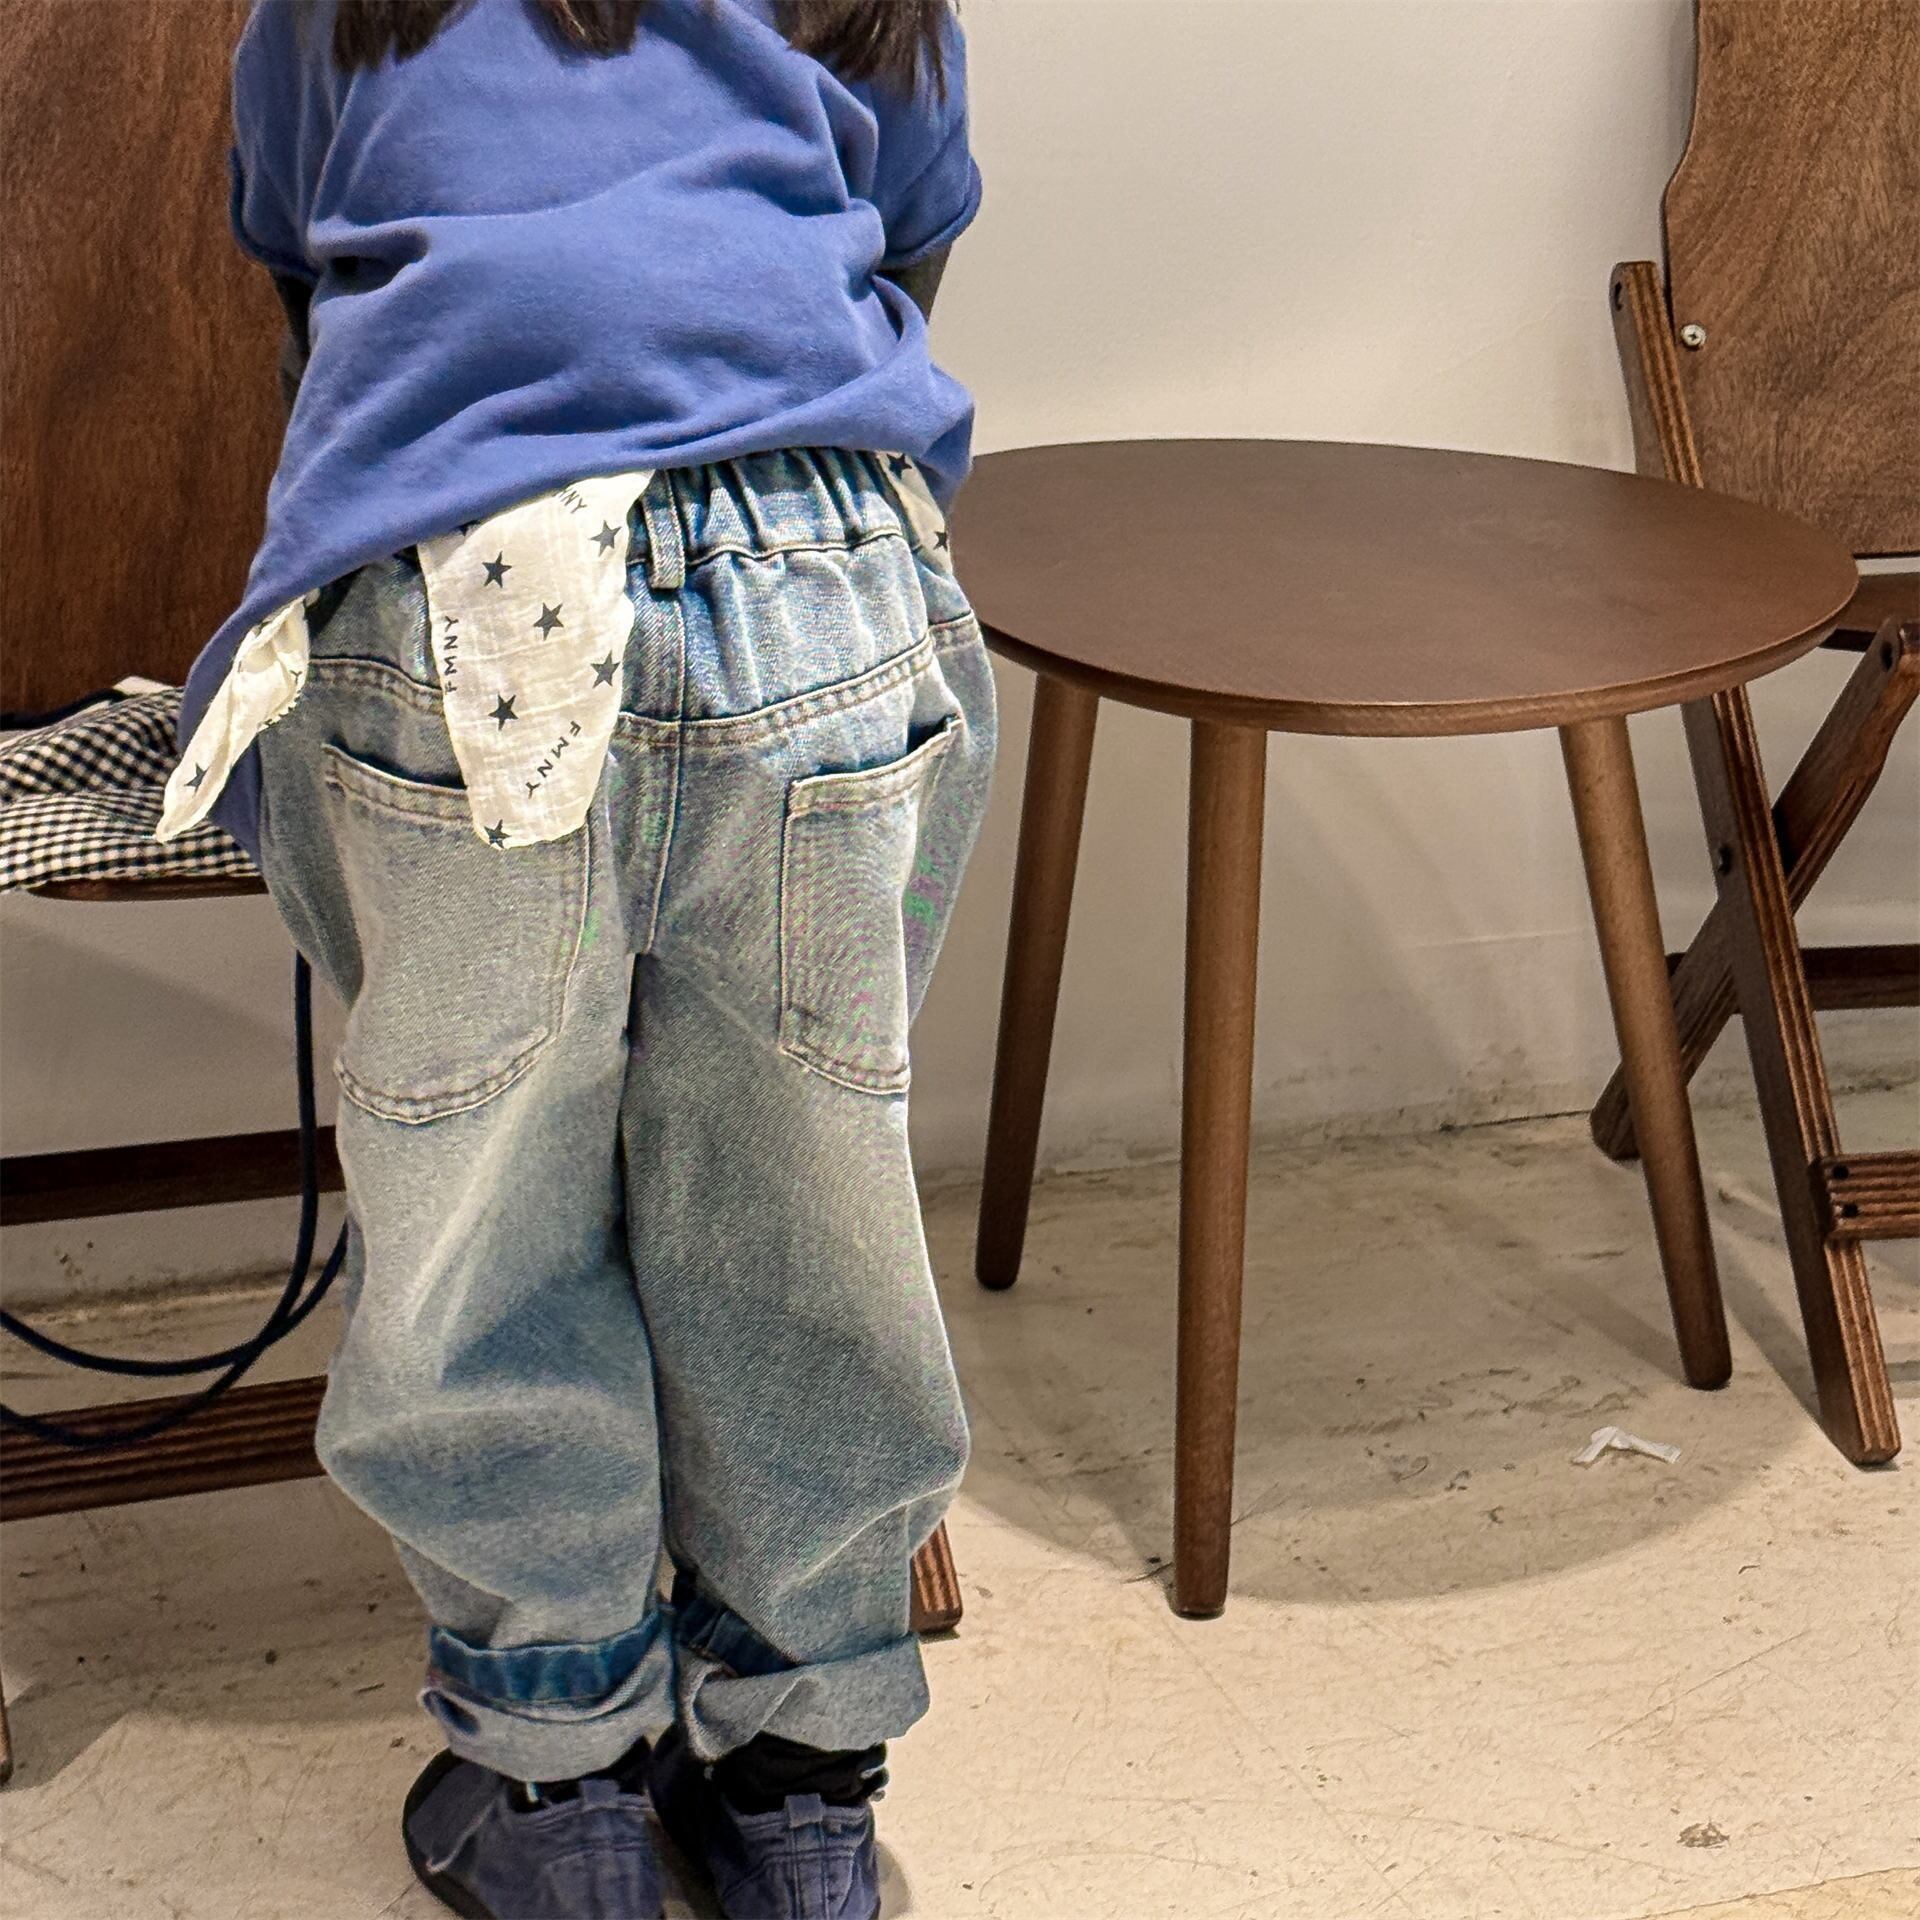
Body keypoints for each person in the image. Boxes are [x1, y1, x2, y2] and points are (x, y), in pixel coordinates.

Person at [158, 3, 993, 1914]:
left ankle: (558, 1797)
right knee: (808, 1200)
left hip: (473, 597)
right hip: (824, 586)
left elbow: (299, 272)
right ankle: (799, 1792)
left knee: (484, 1216)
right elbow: (909, 242)